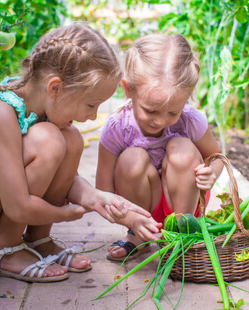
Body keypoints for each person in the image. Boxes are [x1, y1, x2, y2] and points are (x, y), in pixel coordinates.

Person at [0, 24, 152, 283]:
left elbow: (68, 180)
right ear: (55, 89)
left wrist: (95, 198)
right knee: (50, 139)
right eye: (90, 104)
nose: (92, 116)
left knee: (71, 140)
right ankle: (3, 250)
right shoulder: (1, 113)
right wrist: (65, 214)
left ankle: (38, 238)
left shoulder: (32, 103)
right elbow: (18, 207)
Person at [96, 33, 223, 261]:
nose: (160, 121)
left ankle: (181, 235)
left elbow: (217, 156)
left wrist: (212, 171)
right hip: (139, 210)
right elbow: (103, 191)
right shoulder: (117, 128)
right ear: (128, 89)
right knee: (131, 159)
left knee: (182, 147)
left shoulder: (190, 120)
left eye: (172, 112)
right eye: (150, 110)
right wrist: (129, 219)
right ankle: (138, 237)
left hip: (182, 202)